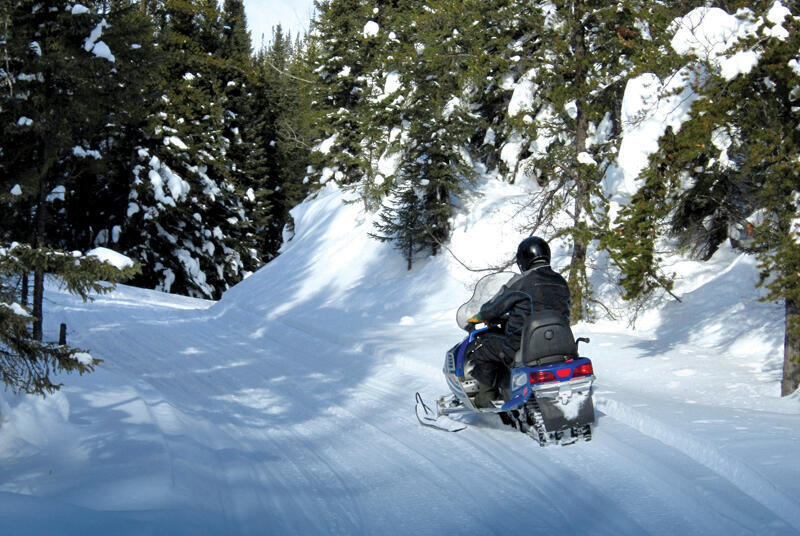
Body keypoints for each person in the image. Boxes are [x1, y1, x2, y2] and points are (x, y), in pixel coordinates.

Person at [465, 236, 571, 405]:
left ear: (523, 260)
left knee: (482, 347)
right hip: (561, 345)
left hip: (521, 346)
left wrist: (480, 316)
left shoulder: (522, 282)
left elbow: (493, 307)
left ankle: (485, 399)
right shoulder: (561, 282)